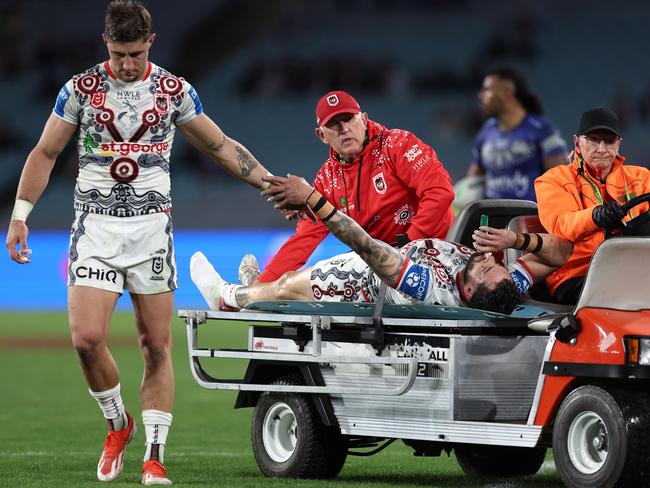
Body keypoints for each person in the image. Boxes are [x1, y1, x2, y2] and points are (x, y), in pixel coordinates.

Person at [4, 2, 280, 485]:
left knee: (156, 345)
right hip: (95, 230)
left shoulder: (174, 91)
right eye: (117, 53)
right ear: (104, 44)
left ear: (150, 42)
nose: (126, 64)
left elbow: (218, 145)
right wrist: (20, 214)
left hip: (152, 233)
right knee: (86, 341)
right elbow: (46, 151)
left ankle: (155, 456)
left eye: (134, 53)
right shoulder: (81, 89)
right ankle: (118, 425)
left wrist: (267, 182)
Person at [191, 175, 572, 315]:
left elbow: (367, 247)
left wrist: (314, 200)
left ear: (468, 290)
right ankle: (257, 289)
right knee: (287, 280)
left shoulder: (428, 286)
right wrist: (519, 240)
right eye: (499, 263)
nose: (492, 259)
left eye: (487, 267)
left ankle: (230, 297)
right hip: (398, 256)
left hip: (369, 280)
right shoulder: (506, 286)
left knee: (289, 286)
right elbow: (561, 253)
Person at [248, 90, 455, 285]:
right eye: (334, 124)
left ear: (363, 120)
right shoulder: (327, 179)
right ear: (321, 135)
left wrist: (409, 244)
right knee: (320, 278)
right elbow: (304, 240)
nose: (344, 129)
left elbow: (440, 192)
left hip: (434, 253)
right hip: (383, 267)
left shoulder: (398, 145)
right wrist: (262, 283)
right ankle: (252, 290)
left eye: (349, 119)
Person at [535, 107, 650, 304]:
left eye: (609, 141)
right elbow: (561, 225)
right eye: (594, 140)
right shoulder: (552, 180)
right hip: (578, 274)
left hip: (633, 268)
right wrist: (595, 215)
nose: (602, 149)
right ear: (577, 143)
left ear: (618, 144)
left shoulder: (641, 177)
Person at [466, 67, 568, 202]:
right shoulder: (486, 131)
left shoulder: (542, 130)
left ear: (507, 93)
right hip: (489, 216)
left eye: (487, 89)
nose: (481, 95)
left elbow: (562, 181)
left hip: (528, 216)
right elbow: (472, 181)